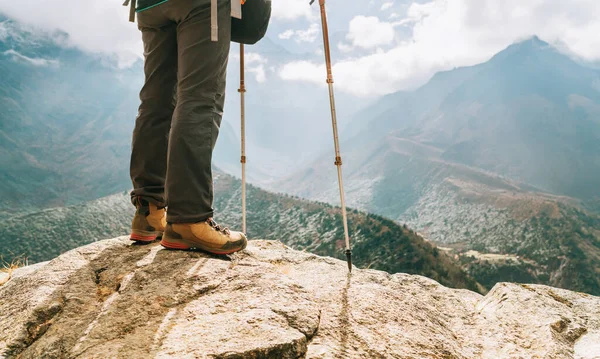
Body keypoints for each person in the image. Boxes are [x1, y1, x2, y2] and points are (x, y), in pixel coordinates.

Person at [128, 0, 247, 255]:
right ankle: (189, 219)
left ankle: (149, 210)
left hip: (149, 5)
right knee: (200, 99)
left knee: (155, 99)